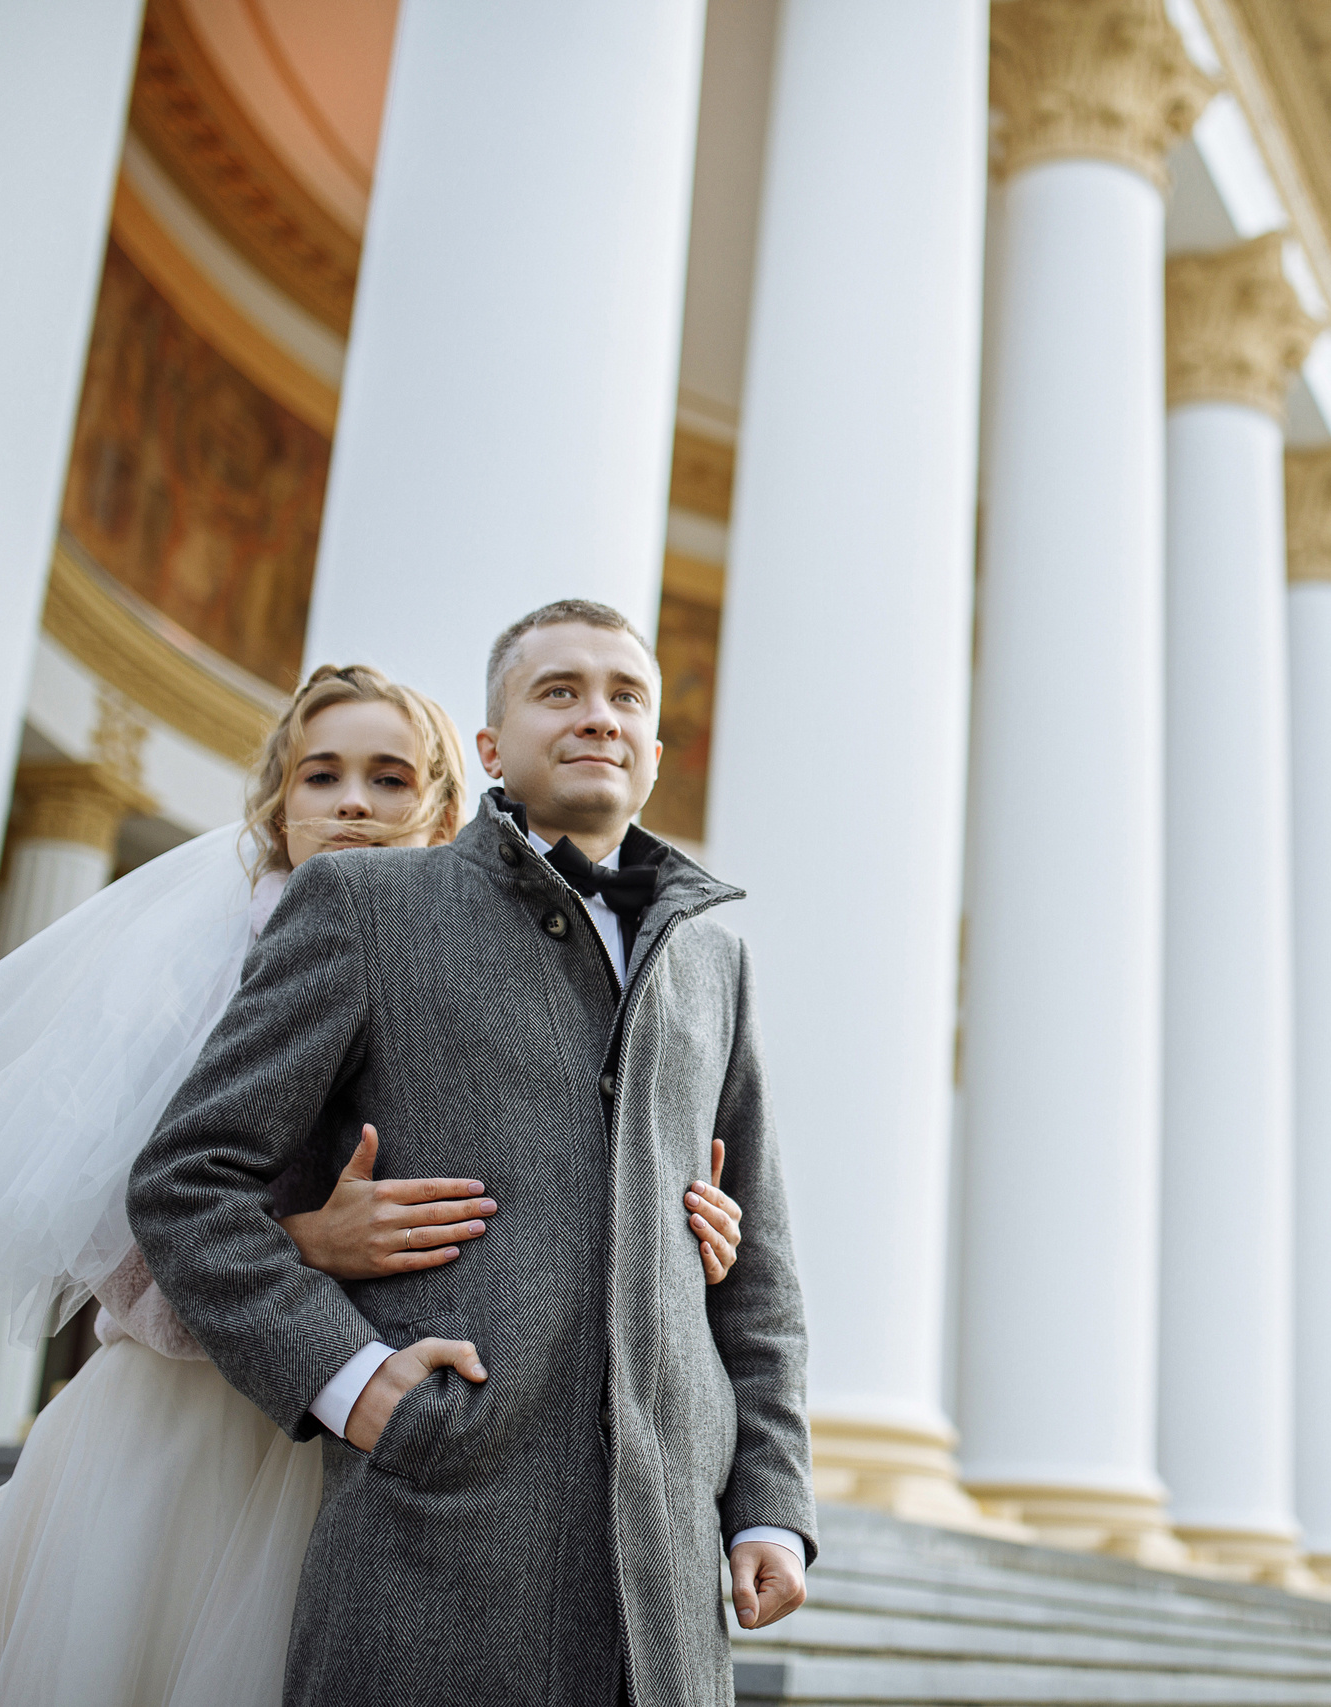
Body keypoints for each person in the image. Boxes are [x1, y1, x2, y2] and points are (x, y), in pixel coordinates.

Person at [0, 664, 750, 1707]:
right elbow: (137, 1221)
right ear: (276, 805)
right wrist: (305, 1242)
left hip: (386, 1440)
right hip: (194, 1420)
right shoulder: (201, 970)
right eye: (319, 776)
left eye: (388, 779)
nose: (350, 804)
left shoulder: (463, 966)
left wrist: (673, 1216)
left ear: (438, 808)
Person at [127, 600, 816, 1707]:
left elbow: (761, 1273)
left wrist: (770, 1502)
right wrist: (355, 1387)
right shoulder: (365, 906)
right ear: (491, 750)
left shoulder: (716, 962)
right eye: (558, 692)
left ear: (651, 750)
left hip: (668, 1574)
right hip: (434, 1539)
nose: (596, 715)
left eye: (624, 695)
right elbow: (185, 1186)